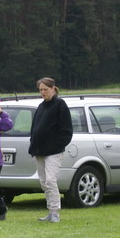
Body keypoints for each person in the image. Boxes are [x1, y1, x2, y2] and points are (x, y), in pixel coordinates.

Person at [29, 77, 73, 223]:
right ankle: (50, 211)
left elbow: (66, 132)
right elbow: (35, 128)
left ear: (53, 89)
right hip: (39, 150)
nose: (43, 92)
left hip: (54, 151)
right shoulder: (41, 106)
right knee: (43, 182)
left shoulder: (60, 105)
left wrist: (56, 145)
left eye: (45, 89)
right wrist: (33, 142)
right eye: (40, 90)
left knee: (50, 181)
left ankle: (55, 213)